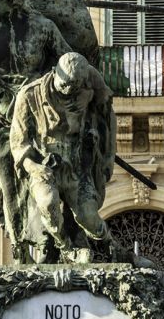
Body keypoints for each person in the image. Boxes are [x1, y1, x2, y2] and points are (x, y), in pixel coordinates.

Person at [10, 52, 116, 263]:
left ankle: (115, 249)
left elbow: (107, 115)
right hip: (46, 167)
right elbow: (18, 143)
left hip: (78, 165)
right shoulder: (30, 95)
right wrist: (35, 168)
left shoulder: (92, 84)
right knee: (48, 203)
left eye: (75, 87)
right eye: (64, 85)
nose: (69, 91)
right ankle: (66, 246)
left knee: (90, 219)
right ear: (54, 73)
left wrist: (108, 157)